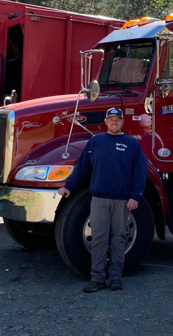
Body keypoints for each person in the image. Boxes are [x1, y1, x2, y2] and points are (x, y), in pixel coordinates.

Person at [58, 107, 146, 293]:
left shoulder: (131, 144)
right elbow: (82, 168)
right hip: (99, 199)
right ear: (105, 122)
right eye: (111, 119)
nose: (114, 122)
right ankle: (97, 279)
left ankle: (115, 278)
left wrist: (135, 196)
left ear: (122, 122)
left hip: (122, 201)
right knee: (99, 238)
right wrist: (68, 186)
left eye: (118, 119)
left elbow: (139, 172)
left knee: (119, 238)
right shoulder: (95, 142)